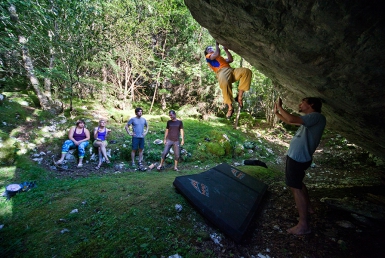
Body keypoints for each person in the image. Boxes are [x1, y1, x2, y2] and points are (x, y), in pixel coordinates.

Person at [274, 97, 326, 235]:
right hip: (297, 156)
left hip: (298, 157)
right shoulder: (310, 119)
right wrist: (278, 114)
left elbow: (292, 119)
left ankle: (303, 225)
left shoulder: (316, 117)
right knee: (298, 183)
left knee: (295, 187)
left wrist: (280, 108)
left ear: (312, 105)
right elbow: (289, 121)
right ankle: (309, 208)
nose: (299, 104)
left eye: (303, 102)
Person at [205, 41, 252, 118]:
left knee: (246, 71)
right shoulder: (208, 56)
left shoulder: (220, 58)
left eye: (211, 48)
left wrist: (226, 50)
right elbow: (216, 54)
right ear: (207, 52)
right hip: (221, 72)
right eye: (208, 49)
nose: (210, 49)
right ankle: (230, 108)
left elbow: (230, 60)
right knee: (225, 84)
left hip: (231, 70)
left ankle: (239, 97)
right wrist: (217, 44)